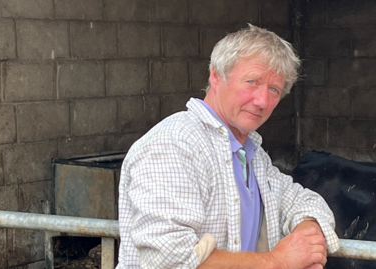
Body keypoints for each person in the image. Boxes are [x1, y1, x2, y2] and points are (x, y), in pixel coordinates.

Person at [116, 24, 340, 269]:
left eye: (274, 89)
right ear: (215, 76)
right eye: (252, 82)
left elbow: (302, 200)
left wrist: (306, 234)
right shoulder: (174, 144)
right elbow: (168, 259)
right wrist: (277, 261)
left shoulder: (252, 154)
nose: (262, 101)